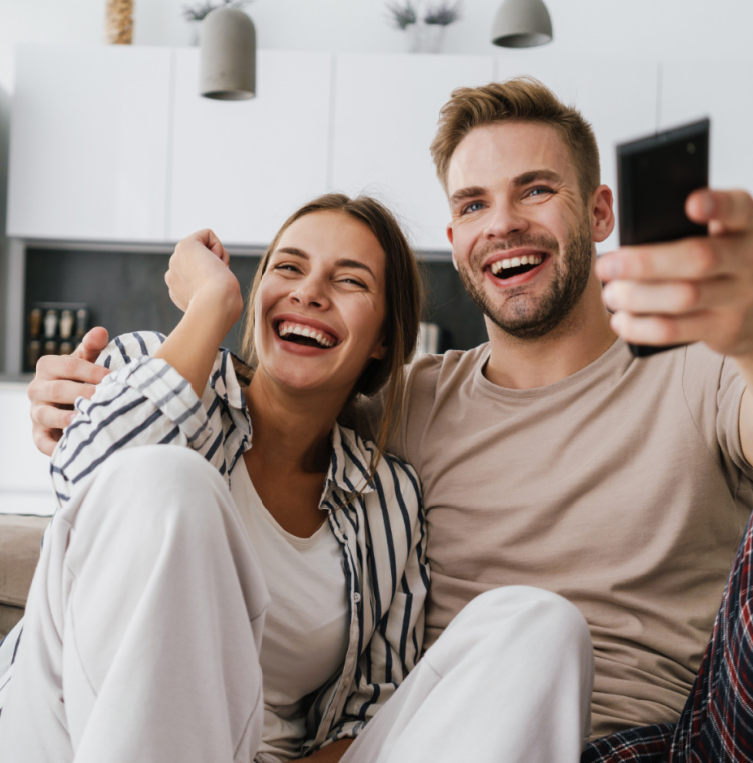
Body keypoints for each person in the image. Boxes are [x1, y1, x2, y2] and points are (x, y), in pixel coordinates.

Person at [26, 77, 753, 762]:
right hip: (451, 732)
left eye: (536, 190)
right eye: (475, 203)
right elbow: (159, 463)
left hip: (661, 732)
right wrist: (106, 385)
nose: (503, 221)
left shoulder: (698, 368)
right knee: (172, 482)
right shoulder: (407, 405)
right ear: (455, 238)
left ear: (600, 210)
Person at [0, 193, 434, 763]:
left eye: (349, 281)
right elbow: (87, 486)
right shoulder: (154, 366)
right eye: (288, 267)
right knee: (174, 480)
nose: (308, 291)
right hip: (62, 724)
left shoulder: (391, 501)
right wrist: (211, 301)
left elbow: (369, 716)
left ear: (383, 337)